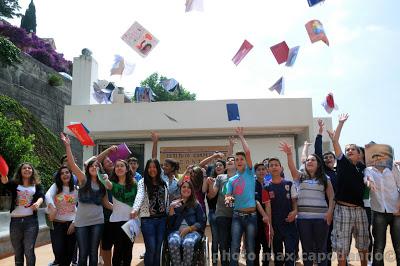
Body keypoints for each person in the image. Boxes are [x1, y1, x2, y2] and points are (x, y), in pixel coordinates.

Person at [61, 133, 112, 266]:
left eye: (96, 166)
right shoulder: (83, 180)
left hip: (97, 221)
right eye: (91, 166)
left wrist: (125, 209)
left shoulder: (103, 184)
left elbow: (106, 204)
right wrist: (67, 145)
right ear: (88, 169)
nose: (94, 167)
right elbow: (72, 165)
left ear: (99, 169)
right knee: (83, 254)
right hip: (81, 222)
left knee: (93, 253)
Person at [280, 142, 334, 266]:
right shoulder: (300, 176)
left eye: (313, 160)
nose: (309, 161)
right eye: (308, 160)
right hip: (303, 220)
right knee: (307, 250)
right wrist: (289, 154)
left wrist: (330, 212)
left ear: (318, 163)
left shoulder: (325, 178)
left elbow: (331, 196)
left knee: (321, 250)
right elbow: (292, 168)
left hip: (322, 219)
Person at [327, 114, 369, 266]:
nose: (349, 151)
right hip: (343, 209)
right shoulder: (343, 163)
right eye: (347, 149)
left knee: (364, 246)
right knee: (342, 247)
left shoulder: (365, 168)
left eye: (353, 149)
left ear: (360, 154)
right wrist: (340, 123)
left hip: (361, 211)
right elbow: (335, 141)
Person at [1, 162, 45, 266]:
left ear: (32, 171)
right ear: (20, 171)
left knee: (29, 251)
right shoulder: (15, 184)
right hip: (15, 222)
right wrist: (3, 174)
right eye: (24, 168)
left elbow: (41, 196)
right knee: (18, 251)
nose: (27, 170)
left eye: (29, 168)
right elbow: (5, 182)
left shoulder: (37, 185)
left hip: (31, 222)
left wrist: (38, 203)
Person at [225, 127, 257, 266]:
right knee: (235, 246)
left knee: (250, 246)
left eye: (241, 159)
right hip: (237, 217)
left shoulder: (250, 173)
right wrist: (229, 199)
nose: (239, 161)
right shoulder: (231, 180)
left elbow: (248, 152)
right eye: (236, 159)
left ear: (245, 161)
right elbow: (227, 197)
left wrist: (241, 136)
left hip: (251, 216)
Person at [99, 159, 138, 266]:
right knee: (117, 252)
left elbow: (138, 202)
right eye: (117, 166)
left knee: (128, 251)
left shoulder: (135, 184)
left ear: (126, 169)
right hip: (115, 222)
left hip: (131, 222)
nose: (119, 168)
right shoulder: (112, 184)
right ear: (114, 170)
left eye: (122, 166)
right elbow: (100, 176)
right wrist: (98, 166)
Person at [131, 158, 169, 266]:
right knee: (151, 248)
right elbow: (139, 196)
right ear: (147, 169)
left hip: (162, 220)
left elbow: (167, 200)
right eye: (150, 167)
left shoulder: (164, 182)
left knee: (158, 249)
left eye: (154, 167)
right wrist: (135, 209)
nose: (152, 169)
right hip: (148, 221)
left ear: (158, 169)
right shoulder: (142, 182)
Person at [364, 153, 400, 266]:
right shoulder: (368, 169)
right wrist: (368, 183)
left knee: (399, 245)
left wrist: (399, 206)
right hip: (378, 211)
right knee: (379, 246)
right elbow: (367, 179)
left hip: (396, 211)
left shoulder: (392, 167)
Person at [262, 158, 298, 266]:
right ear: (268, 169)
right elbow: (268, 208)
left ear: (281, 168)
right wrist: (270, 226)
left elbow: (294, 201)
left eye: (276, 165)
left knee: (290, 254)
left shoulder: (289, 184)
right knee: (278, 255)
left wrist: (295, 211)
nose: (274, 167)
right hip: (275, 226)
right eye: (271, 165)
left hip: (289, 224)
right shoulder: (266, 187)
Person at [167, 180, 206, 266]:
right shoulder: (174, 203)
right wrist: (171, 209)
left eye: (188, 187)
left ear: (191, 190)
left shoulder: (196, 204)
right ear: (180, 189)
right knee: (173, 241)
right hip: (176, 231)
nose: (186, 189)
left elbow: (201, 222)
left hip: (192, 232)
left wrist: (189, 229)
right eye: (184, 187)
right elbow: (169, 225)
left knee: (188, 242)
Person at [46, 166, 78, 266]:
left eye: (67, 172)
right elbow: (47, 196)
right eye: (62, 173)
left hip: (71, 225)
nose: (65, 174)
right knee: (58, 251)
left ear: (71, 175)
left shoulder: (76, 189)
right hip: (57, 225)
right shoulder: (56, 186)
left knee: (69, 253)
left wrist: (74, 222)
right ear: (59, 176)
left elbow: (81, 206)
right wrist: (52, 207)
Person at [209, 156, 236, 266]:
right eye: (228, 161)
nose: (229, 162)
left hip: (237, 215)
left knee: (234, 244)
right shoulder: (220, 177)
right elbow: (212, 195)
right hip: (222, 215)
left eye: (232, 161)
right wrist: (211, 185)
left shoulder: (240, 177)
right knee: (223, 244)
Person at [254, 162, 272, 266]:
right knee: (256, 247)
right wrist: (264, 215)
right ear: (255, 172)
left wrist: (268, 218)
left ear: (266, 171)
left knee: (267, 247)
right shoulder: (252, 184)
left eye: (263, 169)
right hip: (256, 219)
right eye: (259, 170)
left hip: (267, 220)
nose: (261, 171)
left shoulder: (268, 184)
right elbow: (256, 202)